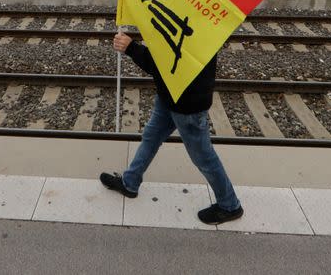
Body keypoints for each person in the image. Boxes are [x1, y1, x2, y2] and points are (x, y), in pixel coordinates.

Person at [100, 31, 244, 225]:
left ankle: (230, 205)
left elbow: (166, 65)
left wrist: (131, 47)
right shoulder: (196, 17)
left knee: (203, 156)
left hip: (187, 104)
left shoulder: (194, 24)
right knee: (151, 136)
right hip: (170, 95)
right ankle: (130, 182)